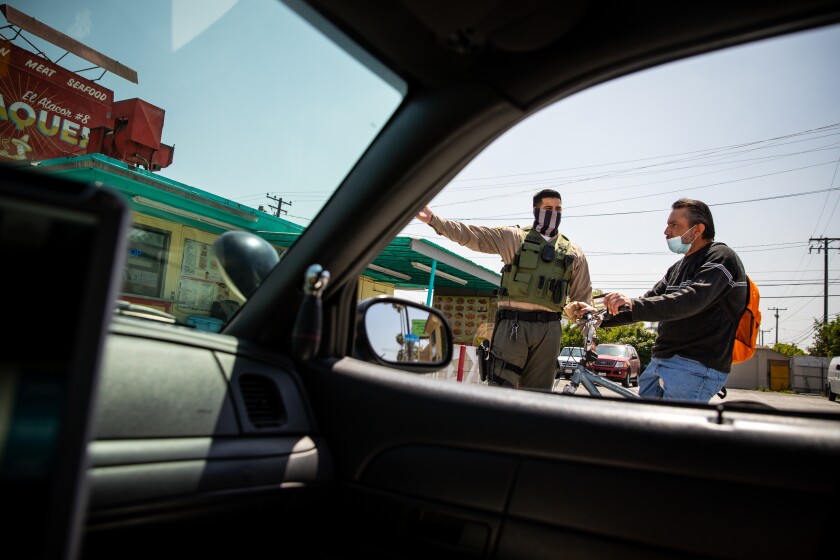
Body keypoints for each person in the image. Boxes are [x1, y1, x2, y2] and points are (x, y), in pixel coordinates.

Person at [564, 198, 747, 402]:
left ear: (697, 230)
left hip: (695, 365)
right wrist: (595, 315)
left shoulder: (721, 257)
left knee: (673, 431)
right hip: (661, 361)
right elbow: (648, 303)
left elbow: (692, 300)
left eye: (674, 224)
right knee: (646, 428)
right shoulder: (677, 268)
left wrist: (632, 304)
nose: (666, 231)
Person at [417, 189, 592, 390]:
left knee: (539, 397)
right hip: (513, 325)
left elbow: (584, 299)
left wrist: (590, 337)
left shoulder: (574, 252)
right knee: (500, 392)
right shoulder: (513, 237)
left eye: (558, 209)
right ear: (535, 210)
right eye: (548, 208)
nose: (554, 213)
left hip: (549, 330)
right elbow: (472, 235)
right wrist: (433, 220)